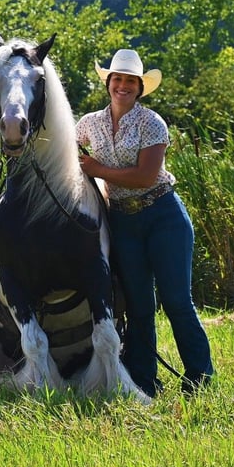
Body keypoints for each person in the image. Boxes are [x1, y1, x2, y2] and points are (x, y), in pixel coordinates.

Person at [75, 49, 214, 397]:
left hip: (162, 215)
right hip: (122, 221)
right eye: (117, 79)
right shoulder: (89, 123)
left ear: (139, 88)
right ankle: (144, 380)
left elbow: (144, 176)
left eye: (130, 82)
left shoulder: (152, 123)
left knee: (177, 300)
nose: (123, 86)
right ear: (109, 84)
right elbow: (67, 152)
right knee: (138, 305)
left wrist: (97, 170)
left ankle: (200, 378)